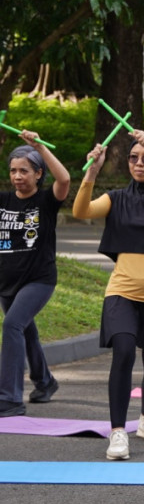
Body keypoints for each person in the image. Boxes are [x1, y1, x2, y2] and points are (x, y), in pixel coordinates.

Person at [72, 131, 144, 460]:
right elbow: (81, 210)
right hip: (122, 291)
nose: (139, 163)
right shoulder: (115, 199)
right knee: (123, 352)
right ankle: (117, 432)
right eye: (134, 157)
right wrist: (92, 172)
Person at [0, 136, 70, 416]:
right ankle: (45, 382)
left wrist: (41, 147)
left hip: (38, 280)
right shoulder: (3, 200)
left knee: (13, 326)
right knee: (27, 332)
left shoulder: (45, 201)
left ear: (38, 174)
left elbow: (64, 180)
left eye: (24, 171)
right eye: (13, 170)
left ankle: (9, 398)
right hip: (6, 283)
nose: (17, 176)